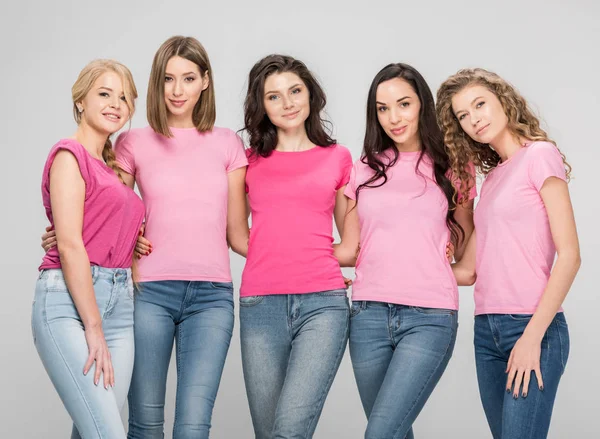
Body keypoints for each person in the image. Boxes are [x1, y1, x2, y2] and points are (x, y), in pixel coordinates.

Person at [42, 36, 248, 439]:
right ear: (156, 82)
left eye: (188, 78)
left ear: (205, 81)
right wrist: (65, 233)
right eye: (168, 78)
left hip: (212, 298)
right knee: (145, 425)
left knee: (193, 427)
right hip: (148, 294)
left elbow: (239, 234)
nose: (177, 90)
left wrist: (316, 265)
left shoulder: (227, 143)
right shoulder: (131, 142)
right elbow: (105, 208)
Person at [436, 68, 580, 439]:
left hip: (532, 326)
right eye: (463, 116)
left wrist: (532, 337)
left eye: (479, 104)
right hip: (486, 329)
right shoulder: (494, 179)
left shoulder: (540, 156)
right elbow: (469, 269)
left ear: (504, 100)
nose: (473, 119)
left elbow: (570, 255)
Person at [334, 63, 476, 439]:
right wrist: (283, 247)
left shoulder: (454, 167)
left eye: (403, 104)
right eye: (382, 108)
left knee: (380, 433)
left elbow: (462, 243)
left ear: (422, 105)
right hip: (366, 316)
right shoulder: (364, 169)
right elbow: (349, 249)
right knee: (394, 432)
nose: (393, 117)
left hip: (429, 317)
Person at [238, 54, 352, 439]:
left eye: (295, 91)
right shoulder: (247, 162)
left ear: (311, 95)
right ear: (261, 106)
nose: (287, 103)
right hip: (259, 306)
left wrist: (309, 258)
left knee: (288, 431)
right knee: (268, 434)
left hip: (323, 306)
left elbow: (350, 245)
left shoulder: (338, 158)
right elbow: (237, 235)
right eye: (273, 96)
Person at [32, 59, 144, 439]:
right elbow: (70, 245)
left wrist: (131, 239)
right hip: (68, 303)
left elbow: (100, 228)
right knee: (108, 433)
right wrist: (93, 325)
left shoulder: (112, 169)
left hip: (120, 306)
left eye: (124, 98)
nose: (116, 103)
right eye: (105, 93)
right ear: (80, 100)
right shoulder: (69, 155)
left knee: (95, 428)